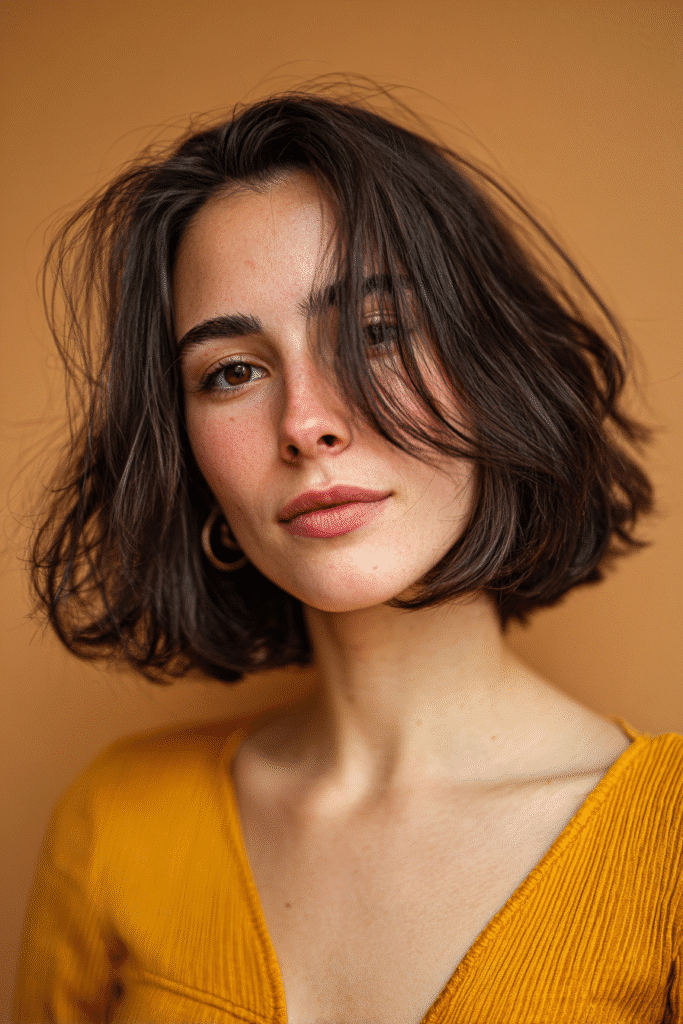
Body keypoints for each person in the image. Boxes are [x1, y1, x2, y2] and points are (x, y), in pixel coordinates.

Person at [13, 88, 681, 1024]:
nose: (305, 423)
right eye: (232, 372)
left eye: (375, 333)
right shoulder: (117, 822)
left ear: (495, 369)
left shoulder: (669, 852)